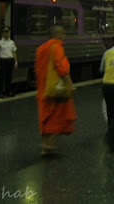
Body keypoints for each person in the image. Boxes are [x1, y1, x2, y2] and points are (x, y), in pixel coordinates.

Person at [35, 25, 77, 155]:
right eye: (63, 34)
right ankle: (49, 144)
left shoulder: (40, 49)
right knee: (61, 116)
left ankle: (45, 146)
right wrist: (69, 83)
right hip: (56, 89)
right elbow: (62, 69)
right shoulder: (57, 47)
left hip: (43, 89)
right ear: (58, 34)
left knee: (45, 118)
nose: (64, 36)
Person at [0, 26, 18, 97]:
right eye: (5, 32)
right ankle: (0, 93)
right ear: (2, 33)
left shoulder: (12, 42)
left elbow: (14, 52)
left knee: (9, 78)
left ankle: (8, 92)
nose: (6, 34)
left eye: (7, 32)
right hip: (3, 61)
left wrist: (16, 61)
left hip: (10, 61)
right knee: (1, 78)